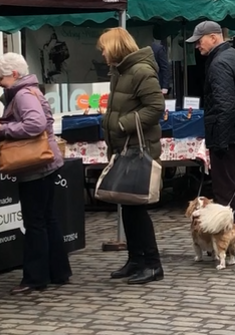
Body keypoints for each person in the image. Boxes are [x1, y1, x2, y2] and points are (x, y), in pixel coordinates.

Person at [0, 53, 71, 294]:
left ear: (14, 75)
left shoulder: (23, 95)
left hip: (35, 166)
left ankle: (35, 278)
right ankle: (58, 272)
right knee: (48, 219)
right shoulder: (31, 91)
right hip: (45, 163)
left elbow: (34, 124)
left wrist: (3, 129)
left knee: (35, 222)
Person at [188, 21, 235, 253]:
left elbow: (225, 106)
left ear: (213, 37)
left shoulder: (219, 63)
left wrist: (219, 141)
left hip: (228, 135)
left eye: (199, 41)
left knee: (227, 189)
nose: (197, 46)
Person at [98, 29, 166, 284]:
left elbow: (155, 107)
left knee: (137, 209)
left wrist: (123, 124)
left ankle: (152, 263)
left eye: (104, 48)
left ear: (115, 47)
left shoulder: (140, 71)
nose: (102, 53)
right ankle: (136, 259)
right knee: (127, 207)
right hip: (125, 148)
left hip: (140, 148)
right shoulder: (120, 72)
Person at [150, 29, 172, 96]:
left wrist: (165, 87)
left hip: (157, 85)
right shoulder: (134, 49)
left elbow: (165, 68)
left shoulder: (158, 49)